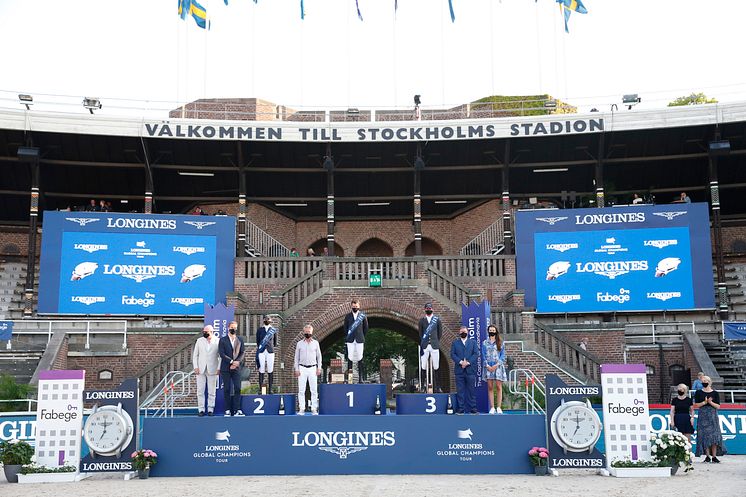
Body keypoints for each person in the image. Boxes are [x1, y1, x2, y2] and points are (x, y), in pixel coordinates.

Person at [693, 375, 726, 462]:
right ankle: (707, 456)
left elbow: (718, 406)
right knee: (704, 436)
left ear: (709, 382)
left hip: (712, 415)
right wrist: (704, 402)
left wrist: (710, 402)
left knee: (714, 436)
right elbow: (696, 405)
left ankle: (714, 456)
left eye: (705, 380)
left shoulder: (715, 393)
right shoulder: (698, 393)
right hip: (703, 415)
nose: (704, 382)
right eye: (702, 381)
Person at [218, 321, 245, 416]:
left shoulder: (240, 339)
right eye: (232, 327)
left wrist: (237, 362)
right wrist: (231, 362)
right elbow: (222, 354)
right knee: (227, 389)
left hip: (236, 368)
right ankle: (227, 410)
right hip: (226, 368)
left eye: (235, 328)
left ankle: (238, 409)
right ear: (228, 328)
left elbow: (242, 353)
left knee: (237, 388)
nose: (233, 329)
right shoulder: (222, 340)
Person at [294, 324, 322, 415]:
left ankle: (314, 408)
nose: (307, 333)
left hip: (313, 368)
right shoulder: (299, 343)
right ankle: (302, 408)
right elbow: (296, 357)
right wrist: (296, 369)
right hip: (302, 368)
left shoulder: (316, 343)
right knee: (301, 390)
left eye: (309, 332)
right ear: (303, 332)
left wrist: (319, 367)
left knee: (313, 390)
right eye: (306, 332)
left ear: (312, 332)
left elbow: (319, 356)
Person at [451, 325, 478, 414]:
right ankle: (461, 409)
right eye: (461, 332)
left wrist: (468, 362)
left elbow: (475, 354)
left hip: (470, 370)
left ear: (468, 333)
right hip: (459, 371)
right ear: (459, 333)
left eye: (465, 332)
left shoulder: (473, 342)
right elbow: (453, 354)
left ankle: (473, 409)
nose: (463, 333)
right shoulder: (455, 343)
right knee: (460, 391)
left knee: (471, 391)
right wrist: (461, 362)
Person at [192, 325, 219, 416]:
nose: (205, 333)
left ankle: (211, 409)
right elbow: (195, 355)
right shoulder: (199, 341)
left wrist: (218, 368)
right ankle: (201, 409)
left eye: (206, 332)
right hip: (200, 369)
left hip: (213, 369)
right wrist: (195, 367)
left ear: (211, 332)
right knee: (200, 390)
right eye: (204, 332)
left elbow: (220, 357)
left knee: (212, 391)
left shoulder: (217, 341)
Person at [482, 324, 507, 414]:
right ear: (488, 331)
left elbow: (503, 355)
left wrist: (497, 365)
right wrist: (487, 366)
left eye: (493, 330)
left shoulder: (500, 342)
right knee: (490, 387)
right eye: (490, 330)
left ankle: (499, 407)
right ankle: (492, 407)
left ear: (496, 331)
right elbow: (483, 355)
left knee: (498, 387)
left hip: (498, 367)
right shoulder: (484, 343)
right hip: (488, 367)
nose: (492, 332)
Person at [418, 302, 442, 392]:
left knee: (436, 366)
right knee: (423, 366)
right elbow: (420, 333)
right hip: (425, 346)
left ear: (433, 309)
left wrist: (434, 341)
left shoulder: (437, 320)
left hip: (434, 345)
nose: (429, 310)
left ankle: (438, 386)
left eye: (430, 308)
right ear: (425, 310)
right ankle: (423, 386)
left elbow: (440, 333)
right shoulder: (421, 321)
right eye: (427, 308)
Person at [344, 299, 368, 383]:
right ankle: (350, 379)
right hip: (350, 340)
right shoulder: (347, 316)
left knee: (360, 358)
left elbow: (366, 328)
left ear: (359, 306)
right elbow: (345, 328)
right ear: (351, 306)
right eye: (353, 306)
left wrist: (361, 336)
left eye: (356, 306)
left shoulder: (362, 316)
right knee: (350, 358)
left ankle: (360, 378)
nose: (355, 308)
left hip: (360, 339)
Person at [256, 315, 278, 394]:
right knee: (261, 369)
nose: (267, 320)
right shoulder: (259, 330)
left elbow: (275, 342)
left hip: (270, 351)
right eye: (265, 319)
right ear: (263, 320)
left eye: (268, 319)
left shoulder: (273, 330)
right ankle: (260, 389)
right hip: (261, 351)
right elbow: (258, 341)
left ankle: (270, 389)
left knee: (270, 369)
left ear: (270, 321)